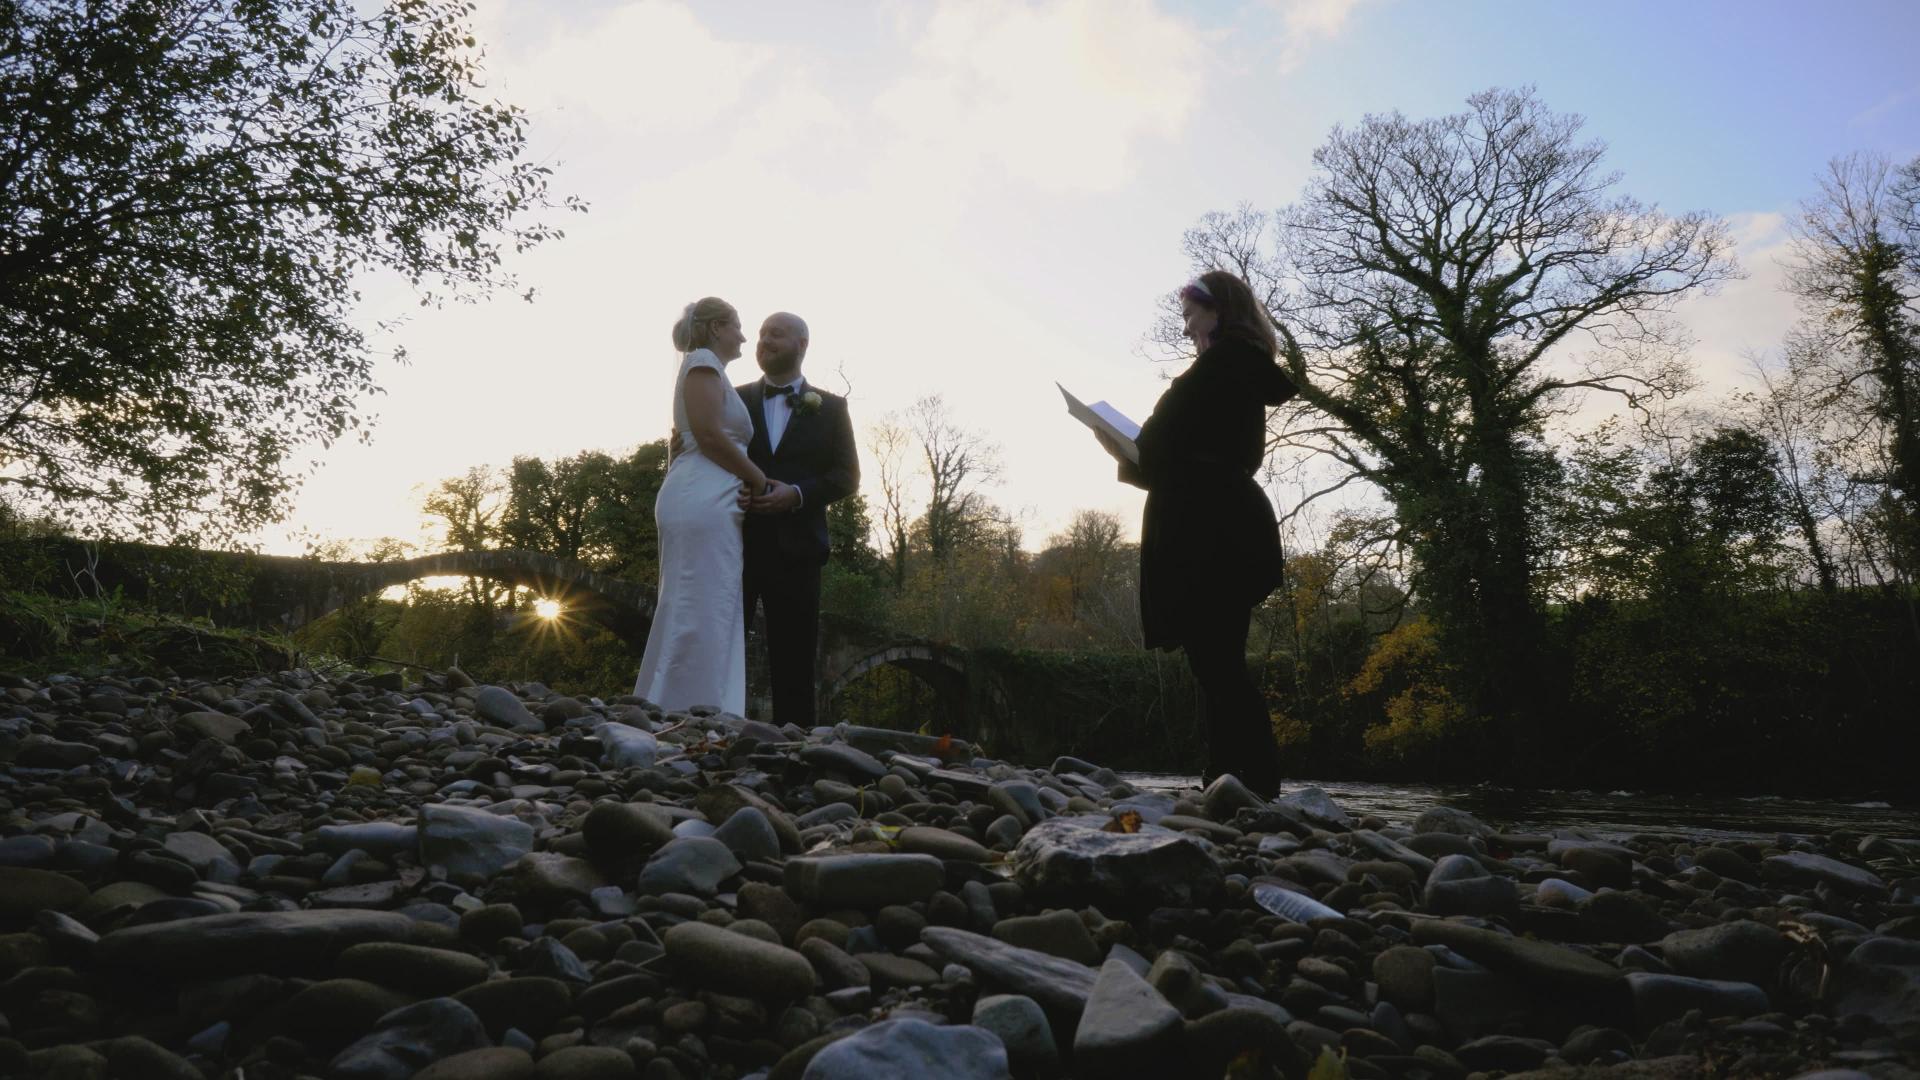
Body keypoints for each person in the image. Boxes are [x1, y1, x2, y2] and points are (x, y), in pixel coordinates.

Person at [1095, 270, 1296, 797]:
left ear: (1217, 311)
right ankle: (1232, 777)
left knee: (1217, 662)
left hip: (1206, 529)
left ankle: (1251, 781)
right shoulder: (1238, 369)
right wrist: (1129, 453)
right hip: (1223, 520)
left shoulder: (1216, 370)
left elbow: (1164, 454)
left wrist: (1122, 447)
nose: (1186, 328)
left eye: (1190, 315)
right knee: (1216, 659)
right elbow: (1179, 459)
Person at [634, 297, 765, 715]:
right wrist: (758, 479)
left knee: (711, 597)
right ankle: (686, 706)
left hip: (709, 497)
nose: (744, 335)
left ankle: (704, 704)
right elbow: (708, 435)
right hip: (701, 498)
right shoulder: (703, 362)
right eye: (737, 325)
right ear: (714, 328)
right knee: (700, 599)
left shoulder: (711, 370)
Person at [735, 312, 860, 728]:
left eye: (776, 333)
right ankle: (714, 734)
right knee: (723, 648)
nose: (764, 341)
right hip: (733, 543)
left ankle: (795, 752)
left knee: (795, 659)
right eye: (760, 334)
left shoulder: (831, 408)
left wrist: (797, 494)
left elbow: (846, 476)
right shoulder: (731, 399)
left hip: (799, 551)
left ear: (802, 344)